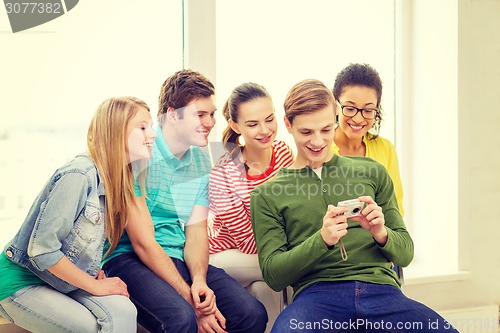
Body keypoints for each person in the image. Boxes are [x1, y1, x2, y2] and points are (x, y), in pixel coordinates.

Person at [250, 79, 458, 333]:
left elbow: (405, 253)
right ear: (288, 125)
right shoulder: (267, 194)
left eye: (326, 130)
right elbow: (274, 275)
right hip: (316, 298)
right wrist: (322, 240)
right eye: (306, 132)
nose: (317, 141)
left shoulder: (372, 172)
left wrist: (381, 233)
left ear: (336, 118)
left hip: (382, 293)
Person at [102, 69, 268, 333]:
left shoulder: (201, 160)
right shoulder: (141, 149)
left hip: (177, 254)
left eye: (212, 113)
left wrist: (199, 281)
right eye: (200, 115)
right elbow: (142, 243)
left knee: (251, 313)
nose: (211, 122)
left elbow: (196, 230)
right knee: (183, 318)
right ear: (172, 115)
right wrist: (190, 298)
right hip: (129, 259)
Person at [0, 96, 157, 333]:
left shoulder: (114, 181)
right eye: (143, 127)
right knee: (89, 328)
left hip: (57, 281)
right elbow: (42, 249)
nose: (152, 135)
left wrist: (91, 272)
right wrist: (96, 287)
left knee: (125, 310)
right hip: (21, 282)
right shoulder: (79, 175)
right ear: (116, 132)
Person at [208, 82, 294, 332]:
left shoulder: (282, 152)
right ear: (235, 126)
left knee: (264, 288)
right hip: (225, 255)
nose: (265, 130)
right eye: (253, 124)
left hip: (267, 250)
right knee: (291, 267)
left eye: (269, 119)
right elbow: (246, 240)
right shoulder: (223, 174)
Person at [332, 63, 404, 215]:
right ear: (335, 106)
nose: (358, 119)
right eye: (350, 108)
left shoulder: (385, 149)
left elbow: (395, 210)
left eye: (368, 110)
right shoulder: (319, 148)